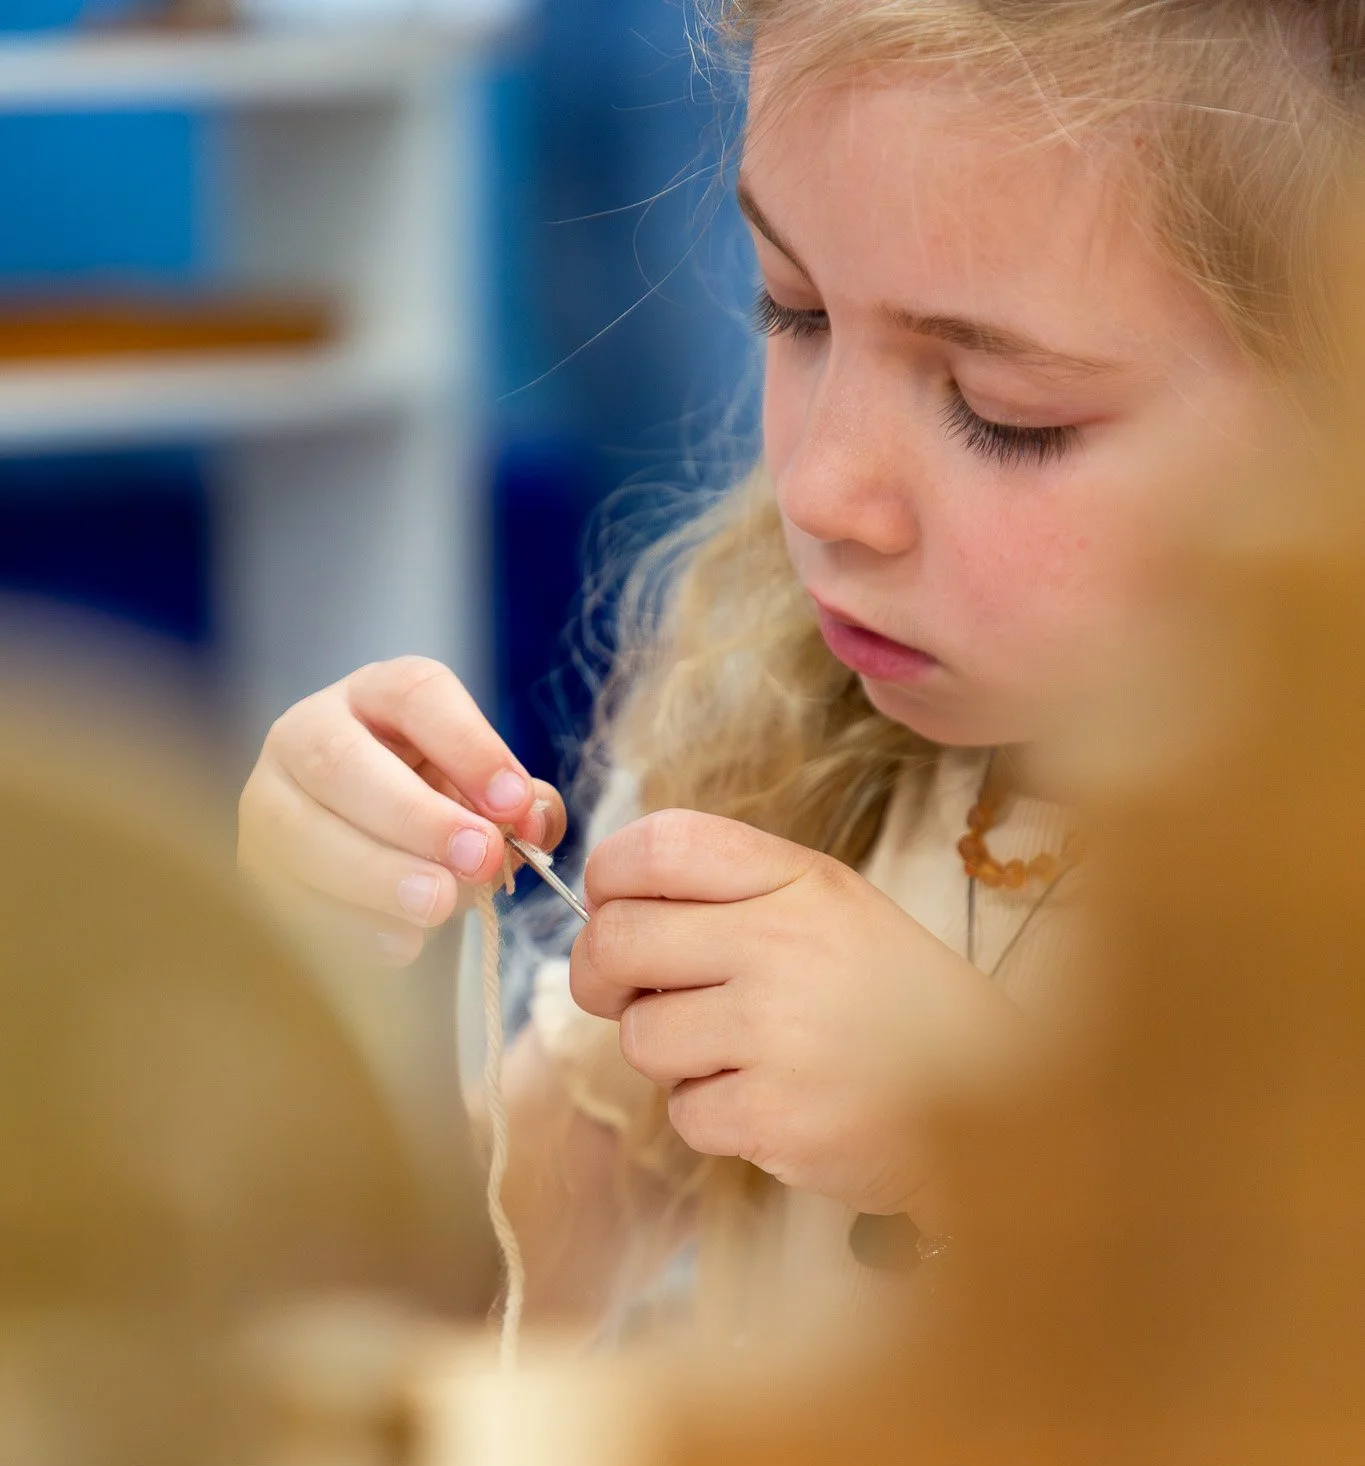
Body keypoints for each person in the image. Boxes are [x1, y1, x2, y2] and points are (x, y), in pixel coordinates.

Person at [238, 0, 1360, 1330]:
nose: (819, 489)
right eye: (794, 312)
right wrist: (301, 996)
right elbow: (459, 1271)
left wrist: (985, 1139)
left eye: (1004, 417)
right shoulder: (780, 738)